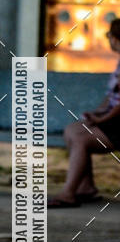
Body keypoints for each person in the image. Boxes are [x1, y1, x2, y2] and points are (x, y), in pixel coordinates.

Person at [48, 18, 120, 208]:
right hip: (111, 119)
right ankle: (86, 188)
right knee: (72, 130)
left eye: (110, 36)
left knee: (81, 139)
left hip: (117, 124)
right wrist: (97, 113)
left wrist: (101, 118)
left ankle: (68, 194)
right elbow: (112, 97)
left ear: (115, 39)